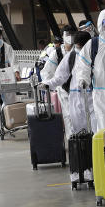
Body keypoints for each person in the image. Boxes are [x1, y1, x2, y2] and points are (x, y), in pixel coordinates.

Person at [40, 31, 94, 183]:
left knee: (96, 135)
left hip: (95, 99)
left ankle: (98, 168)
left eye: (80, 47)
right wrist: (47, 84)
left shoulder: (95, 53)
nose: (79, 50)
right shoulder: (71, 56)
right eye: (76, 47)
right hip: (76, 98)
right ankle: (85, 169)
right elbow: (60, 76)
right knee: (80, 136)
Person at [72, 9, 105, 131]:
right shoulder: (93, 44)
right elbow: (83, 64)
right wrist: (83, 79)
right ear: (100, 26)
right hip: (102, 95)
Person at [41, 25, 76, 136]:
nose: (70, 37)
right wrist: (51, 85)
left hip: (77, 88)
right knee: (68, 115)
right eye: (67, 34)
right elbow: (47, 71)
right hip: (63, 88)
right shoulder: (57, 52)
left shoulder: (80, 49)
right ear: (63, 36)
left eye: (72, 34)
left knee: (80, 115)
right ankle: (72, 141)